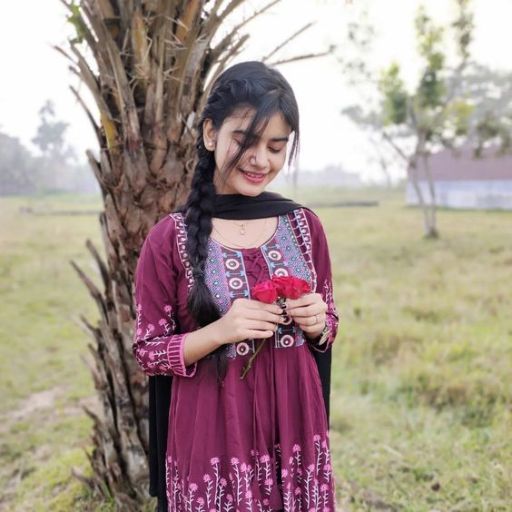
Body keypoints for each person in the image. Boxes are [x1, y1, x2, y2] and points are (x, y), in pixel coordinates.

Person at [132, 61, 340, 512]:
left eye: (276, 146)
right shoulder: (171, 238)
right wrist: (220, 332)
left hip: (295, 427)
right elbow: (148, 350)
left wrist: (319, 321)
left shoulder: (304, 226)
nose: (260, 160)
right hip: (213, 434)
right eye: (245, 141)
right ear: (211, 134)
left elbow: (329, 326)